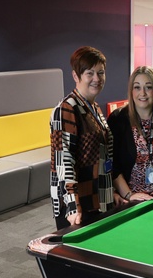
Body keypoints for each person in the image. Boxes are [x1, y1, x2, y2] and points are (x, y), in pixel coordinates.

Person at [50, 46, 121, 230]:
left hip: (99, 199)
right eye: (90, 73)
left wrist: (110, 191)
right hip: (78, 206)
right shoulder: (67, 109)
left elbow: (103, 157)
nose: (96, 79)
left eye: (101, 72)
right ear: (76, 76)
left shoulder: (94, 107)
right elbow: (63, 162)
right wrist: (73, 205)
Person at [107, 66, 153, 202]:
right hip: (129, 199)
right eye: (137, 87)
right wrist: (128, 194)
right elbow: (112, 163)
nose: (142, 93)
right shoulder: (118, 119)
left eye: (148, 87)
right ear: (131, 91)